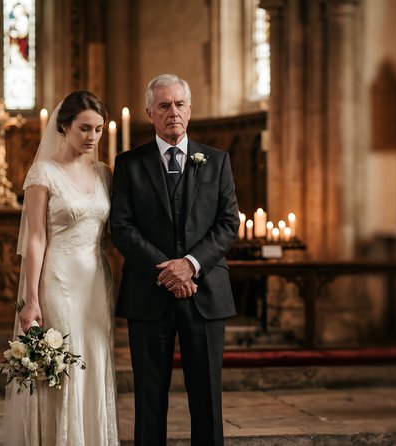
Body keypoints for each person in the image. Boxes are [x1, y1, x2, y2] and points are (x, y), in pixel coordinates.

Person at [111, 74, 240, 445]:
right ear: (149, 111)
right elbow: (122, 227)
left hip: (205, 292)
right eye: (164, 105)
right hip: (148, 296)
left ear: (190, 109)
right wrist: (166, 271)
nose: (173, 112)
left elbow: (228, 224)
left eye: (180, 104)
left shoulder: (216, 161)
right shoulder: (129, 164)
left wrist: (191, 265)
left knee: (207, 397)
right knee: (149, 397)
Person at [0, 90, 120, 445]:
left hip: (95, 282)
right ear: (64, 126)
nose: (92, 137)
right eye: (84, 128)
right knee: (65, 366)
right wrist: (32, 299)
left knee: (93, 362)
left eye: (99, 129)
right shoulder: (43, 172)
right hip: (58, 279)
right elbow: (36, 238)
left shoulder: (105, 173)